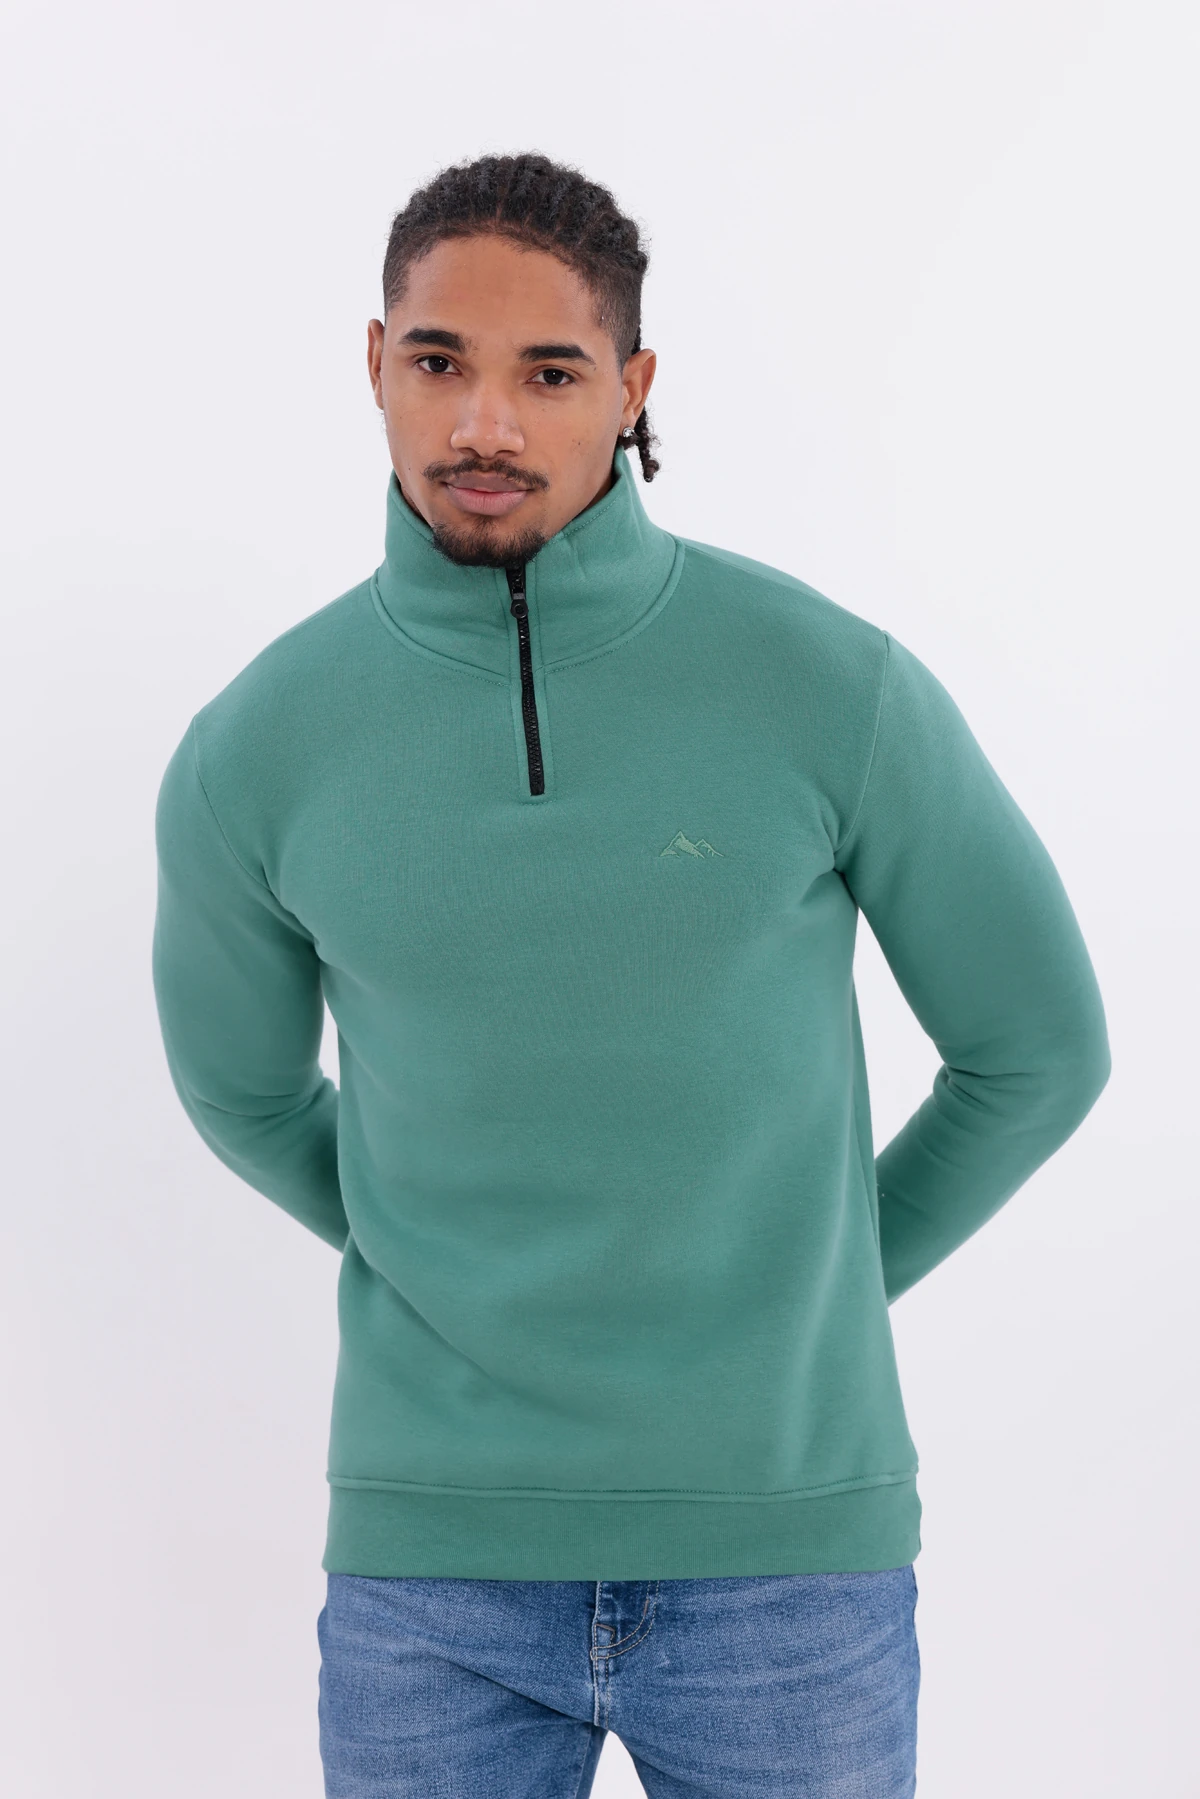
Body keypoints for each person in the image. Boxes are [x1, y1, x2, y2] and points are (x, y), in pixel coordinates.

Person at [151, 151, 1111, 1797]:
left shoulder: (829, 687)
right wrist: (438, 1253)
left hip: (786, 1565)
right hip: (430, 1576)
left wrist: (817, 1283)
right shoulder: (258, 746)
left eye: (550, 372)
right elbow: (241, 1092)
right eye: (440, 360)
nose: (485, 425)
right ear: (374, 363)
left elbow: (1038, 1048)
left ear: (635, 388)